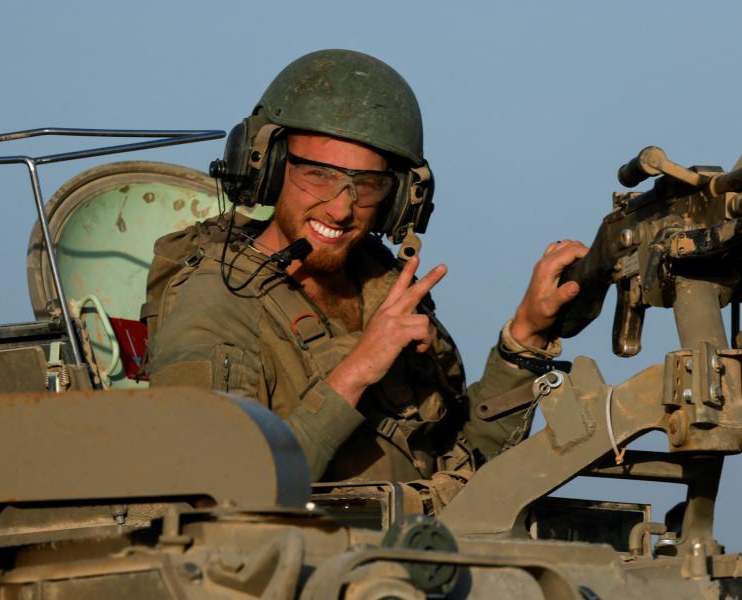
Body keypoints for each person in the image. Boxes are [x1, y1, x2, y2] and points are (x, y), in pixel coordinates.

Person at [144, 49, 586, 513]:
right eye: (317, 175)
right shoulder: (217, 301)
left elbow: (463, 463)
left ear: (399, 200)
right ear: (266, 166)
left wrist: (525, 339)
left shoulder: (384, 290)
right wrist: (355, 372)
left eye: (366, 185)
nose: (340, 207)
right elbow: (216, 495)